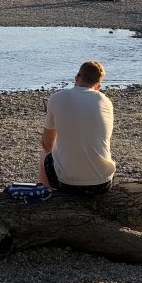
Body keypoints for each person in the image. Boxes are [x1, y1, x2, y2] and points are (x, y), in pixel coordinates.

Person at [39, 61, 116, 196]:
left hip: (68, 184)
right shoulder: (106, 101)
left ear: (77, 77)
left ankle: (47, 198)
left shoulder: (57, 98)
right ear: (98, 86)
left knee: (44, 153)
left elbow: (47, 144)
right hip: (102, 183)